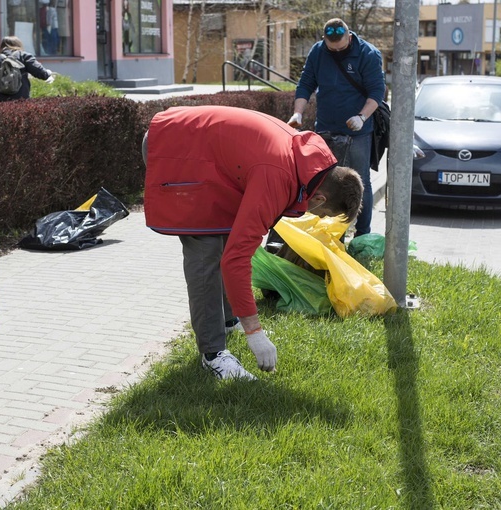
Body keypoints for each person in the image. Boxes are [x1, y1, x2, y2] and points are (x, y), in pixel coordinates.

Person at [143, 105, 363, 380]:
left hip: (199, 146)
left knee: (223, 238)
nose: (315, 216)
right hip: (174, 146)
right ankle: (213, 355)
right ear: (319, 200)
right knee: (206, 252)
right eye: (322, 214)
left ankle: (226, 321)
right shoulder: (277, 177)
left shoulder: (312, 162)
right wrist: (254, 331)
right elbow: (236, 261)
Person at [288, 18, 385, 238]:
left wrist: (362, 116)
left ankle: (362, 234)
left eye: (341, 47)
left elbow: (376, 93)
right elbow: (305, 84)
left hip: (358, 131)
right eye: (333, 49)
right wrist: (298, 113)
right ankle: (332, 234)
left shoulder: (368, 54)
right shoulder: (318, 51)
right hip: (326, 128)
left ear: (349, 37)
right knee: (327, 183)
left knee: (361, 182)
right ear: (324, 40)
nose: (337, 52)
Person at [0, 36, 55, 102]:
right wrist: (46, 75)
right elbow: (37, 69)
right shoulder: (23, 56)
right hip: (20, 98)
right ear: (18, 45)